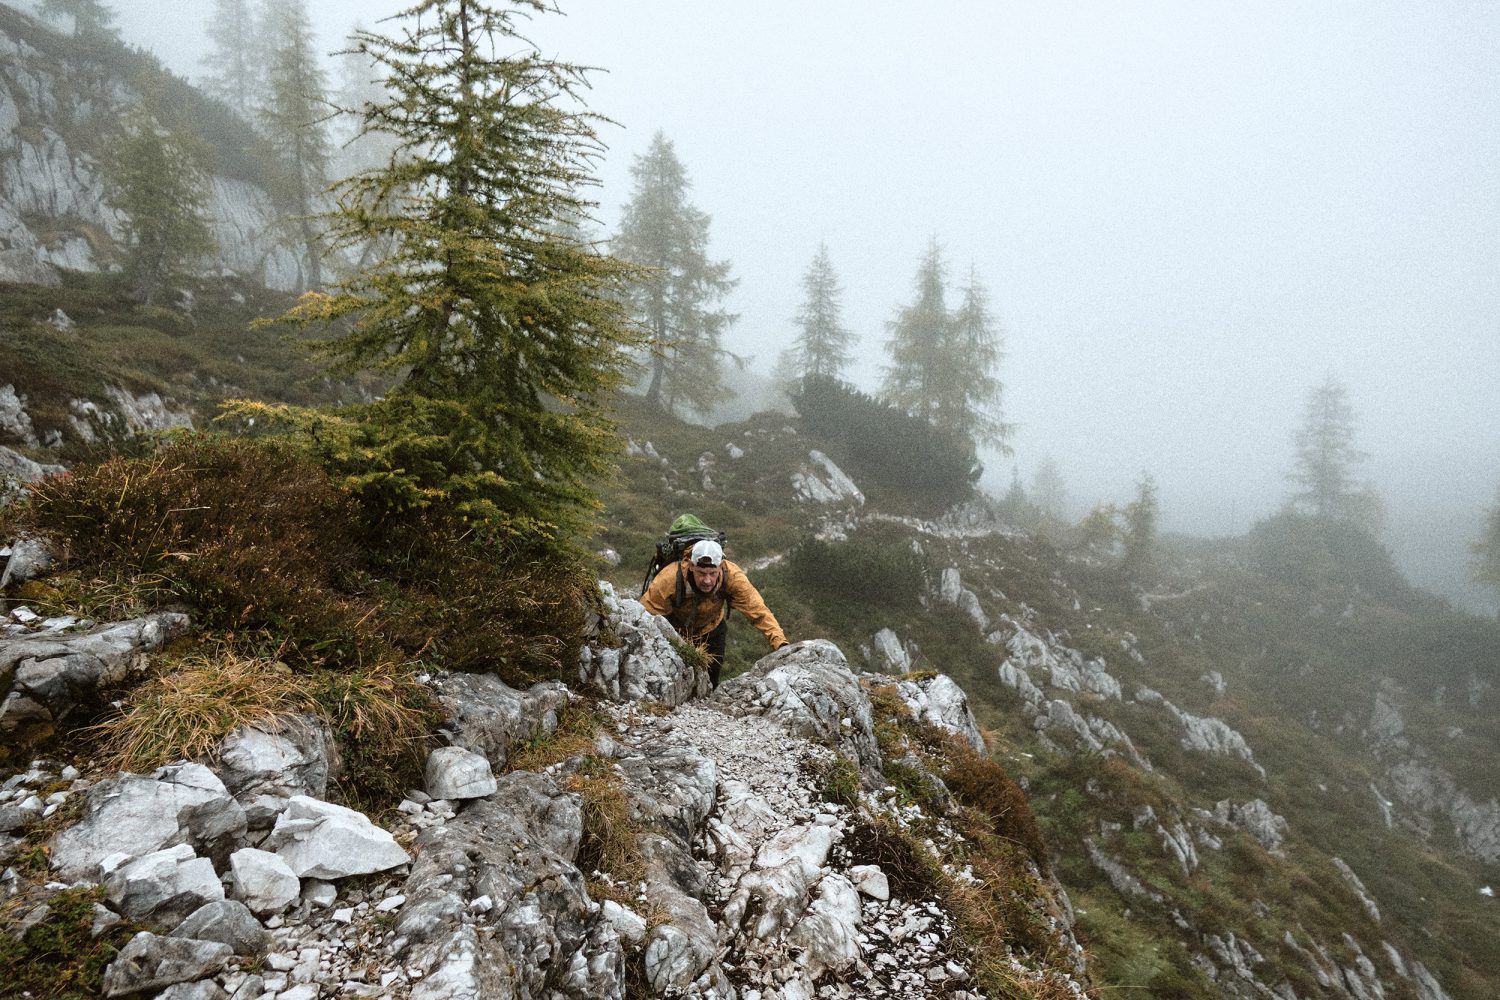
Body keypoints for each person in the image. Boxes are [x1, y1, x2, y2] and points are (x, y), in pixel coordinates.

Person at [640, 537, 786, 687]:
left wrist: (781, 644)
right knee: (673, 679)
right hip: (675, 632)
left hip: (712, 630)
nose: (707, 580)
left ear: (721, 566)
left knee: (711, 678)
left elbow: (759, 612)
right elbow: (646, 614)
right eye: (701, 573)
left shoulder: (733, 577)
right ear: (690, 565)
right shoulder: (669, 579)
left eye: (712, 573)